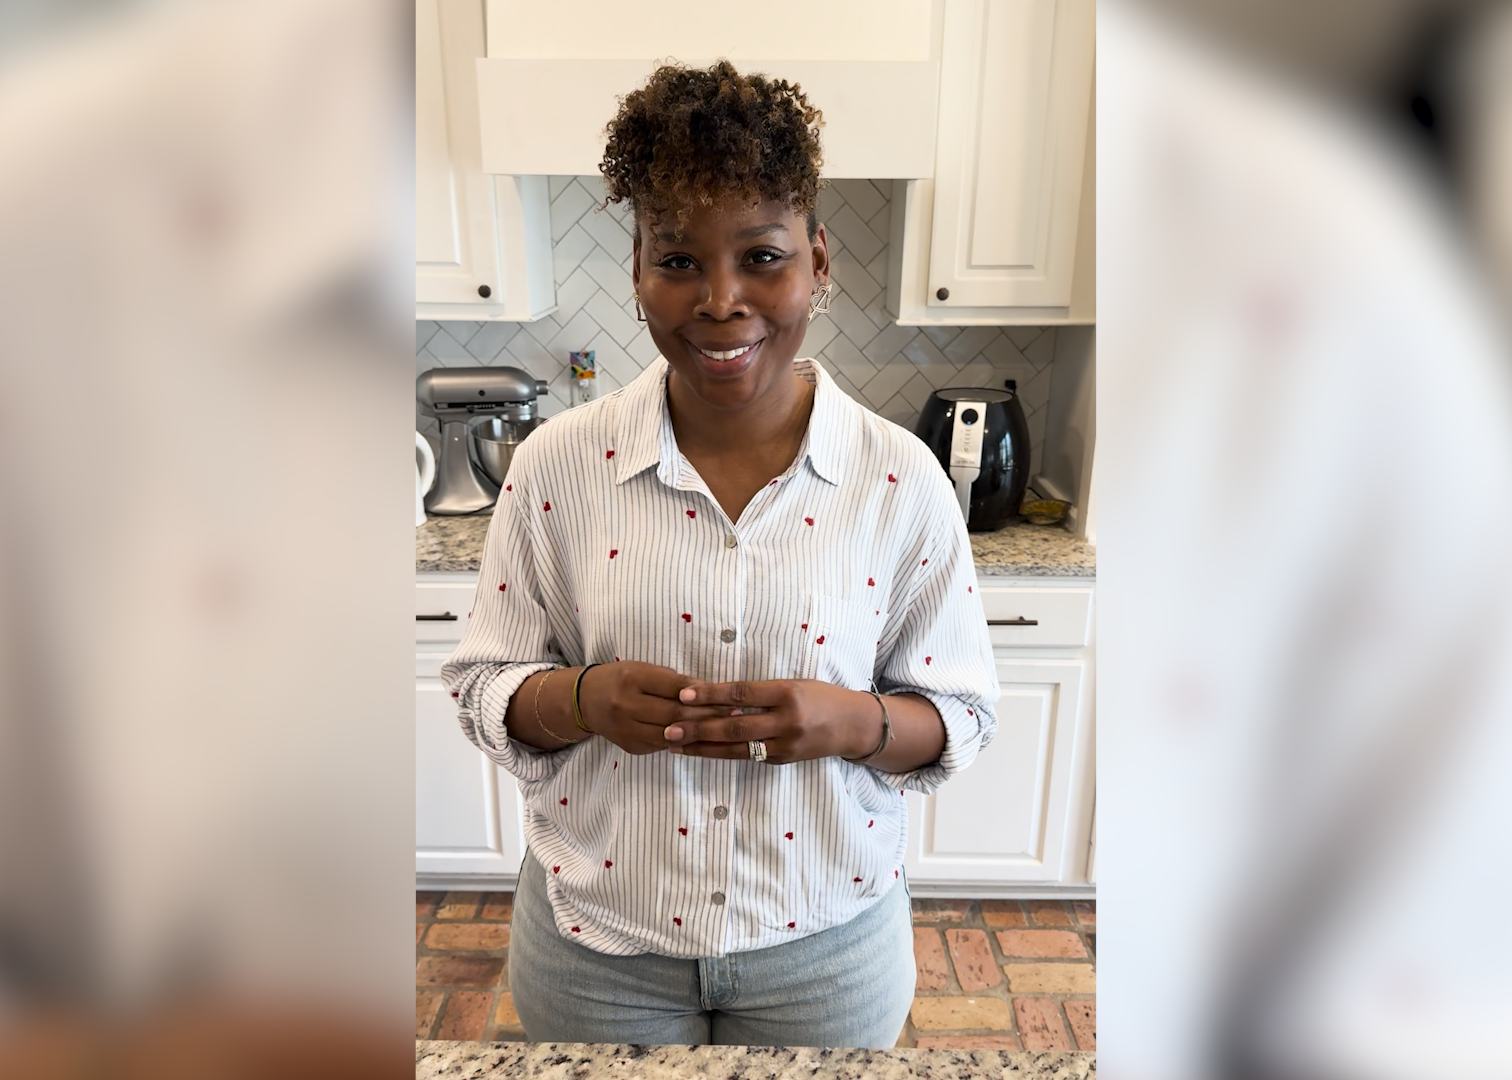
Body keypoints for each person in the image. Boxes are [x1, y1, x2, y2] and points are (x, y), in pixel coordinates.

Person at [440, 59, 998, 1049]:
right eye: (680, 259)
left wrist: (852, 720)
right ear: (639, 271)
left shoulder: (901, 482)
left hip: (827, 949)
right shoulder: (559, 467)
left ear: (819, 261)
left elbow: (959, 719)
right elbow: (484, 687)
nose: (721, 300)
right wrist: (582, 701)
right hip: (599, 948)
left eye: (763, 257)